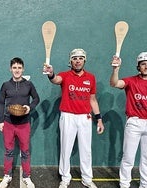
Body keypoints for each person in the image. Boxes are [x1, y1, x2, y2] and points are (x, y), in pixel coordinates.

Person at [43, 48, 104, 188]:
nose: (78, 61)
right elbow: (55, 80)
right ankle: (65, 177)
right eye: (75, 58)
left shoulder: (91, 77)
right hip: (68, 116)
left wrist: (99, 119)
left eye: (81, 58)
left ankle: (87, 178)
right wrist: (50, 73)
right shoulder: (65, 75)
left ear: (84, 60)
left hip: (85, 118)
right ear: (70, 61)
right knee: (66, 148)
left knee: (86, 149)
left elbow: (92, 100)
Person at [110, 52, 147, 188]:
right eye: (143, 64)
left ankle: (146, 184)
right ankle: (125, 184)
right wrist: (116, 69)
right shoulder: (131, 81)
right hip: (134, 123)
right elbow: (114, 83)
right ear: (139, 66)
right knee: (128, 157)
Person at [0, 57, 40, 188]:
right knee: (9, 151)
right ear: (10, 69)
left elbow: (36, 98)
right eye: (14, 68)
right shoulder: (5, 85)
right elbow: (0, 103)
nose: (17, 70)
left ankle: (27, 176)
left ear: (23, 69)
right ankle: (7, 175)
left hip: (24, 123)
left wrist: (30, 107)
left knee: (25, 151)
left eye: (19, 68)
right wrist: (0, 121)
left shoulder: (29, 84)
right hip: (9, 123)